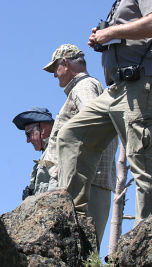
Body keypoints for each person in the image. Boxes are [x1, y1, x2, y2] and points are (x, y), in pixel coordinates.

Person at [58, 0, 152, 227]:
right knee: (72, 134)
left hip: (139, 84)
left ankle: (145, 244)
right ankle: (73, 220)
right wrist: (105, 37)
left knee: (143, 164)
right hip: (116, 88)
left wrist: (110, 32)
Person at [42, 44, 118, 247]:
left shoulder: (83, 87)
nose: (54, 75)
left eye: (54, 69)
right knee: (84, 247)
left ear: (64, 63)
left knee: (78, 246)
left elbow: (93, 126)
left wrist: (63, 167)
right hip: (93, 180)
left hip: (85, 182)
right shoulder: (90, 86)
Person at [13, 107, 54, 199]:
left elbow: (56, 194)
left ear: (42, 130)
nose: (28, 140)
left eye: (29, 134)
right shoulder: (48, 155)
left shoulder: (57, 151)